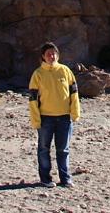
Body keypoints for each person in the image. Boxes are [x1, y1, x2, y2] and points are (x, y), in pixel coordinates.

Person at [29, 42, 80, 188]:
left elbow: (74, 93)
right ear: (43, 57)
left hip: (64, 117)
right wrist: (36, 120)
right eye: (48, 54)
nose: (52, 56)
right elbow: (33, 99)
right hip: (45, 119)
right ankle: (45, 179)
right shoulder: (38, 74)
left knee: (63, 149)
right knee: (44, 149)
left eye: (54, 53)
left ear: (58, 55)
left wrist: (75, 112)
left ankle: (65, 178)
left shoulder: (65, 71)